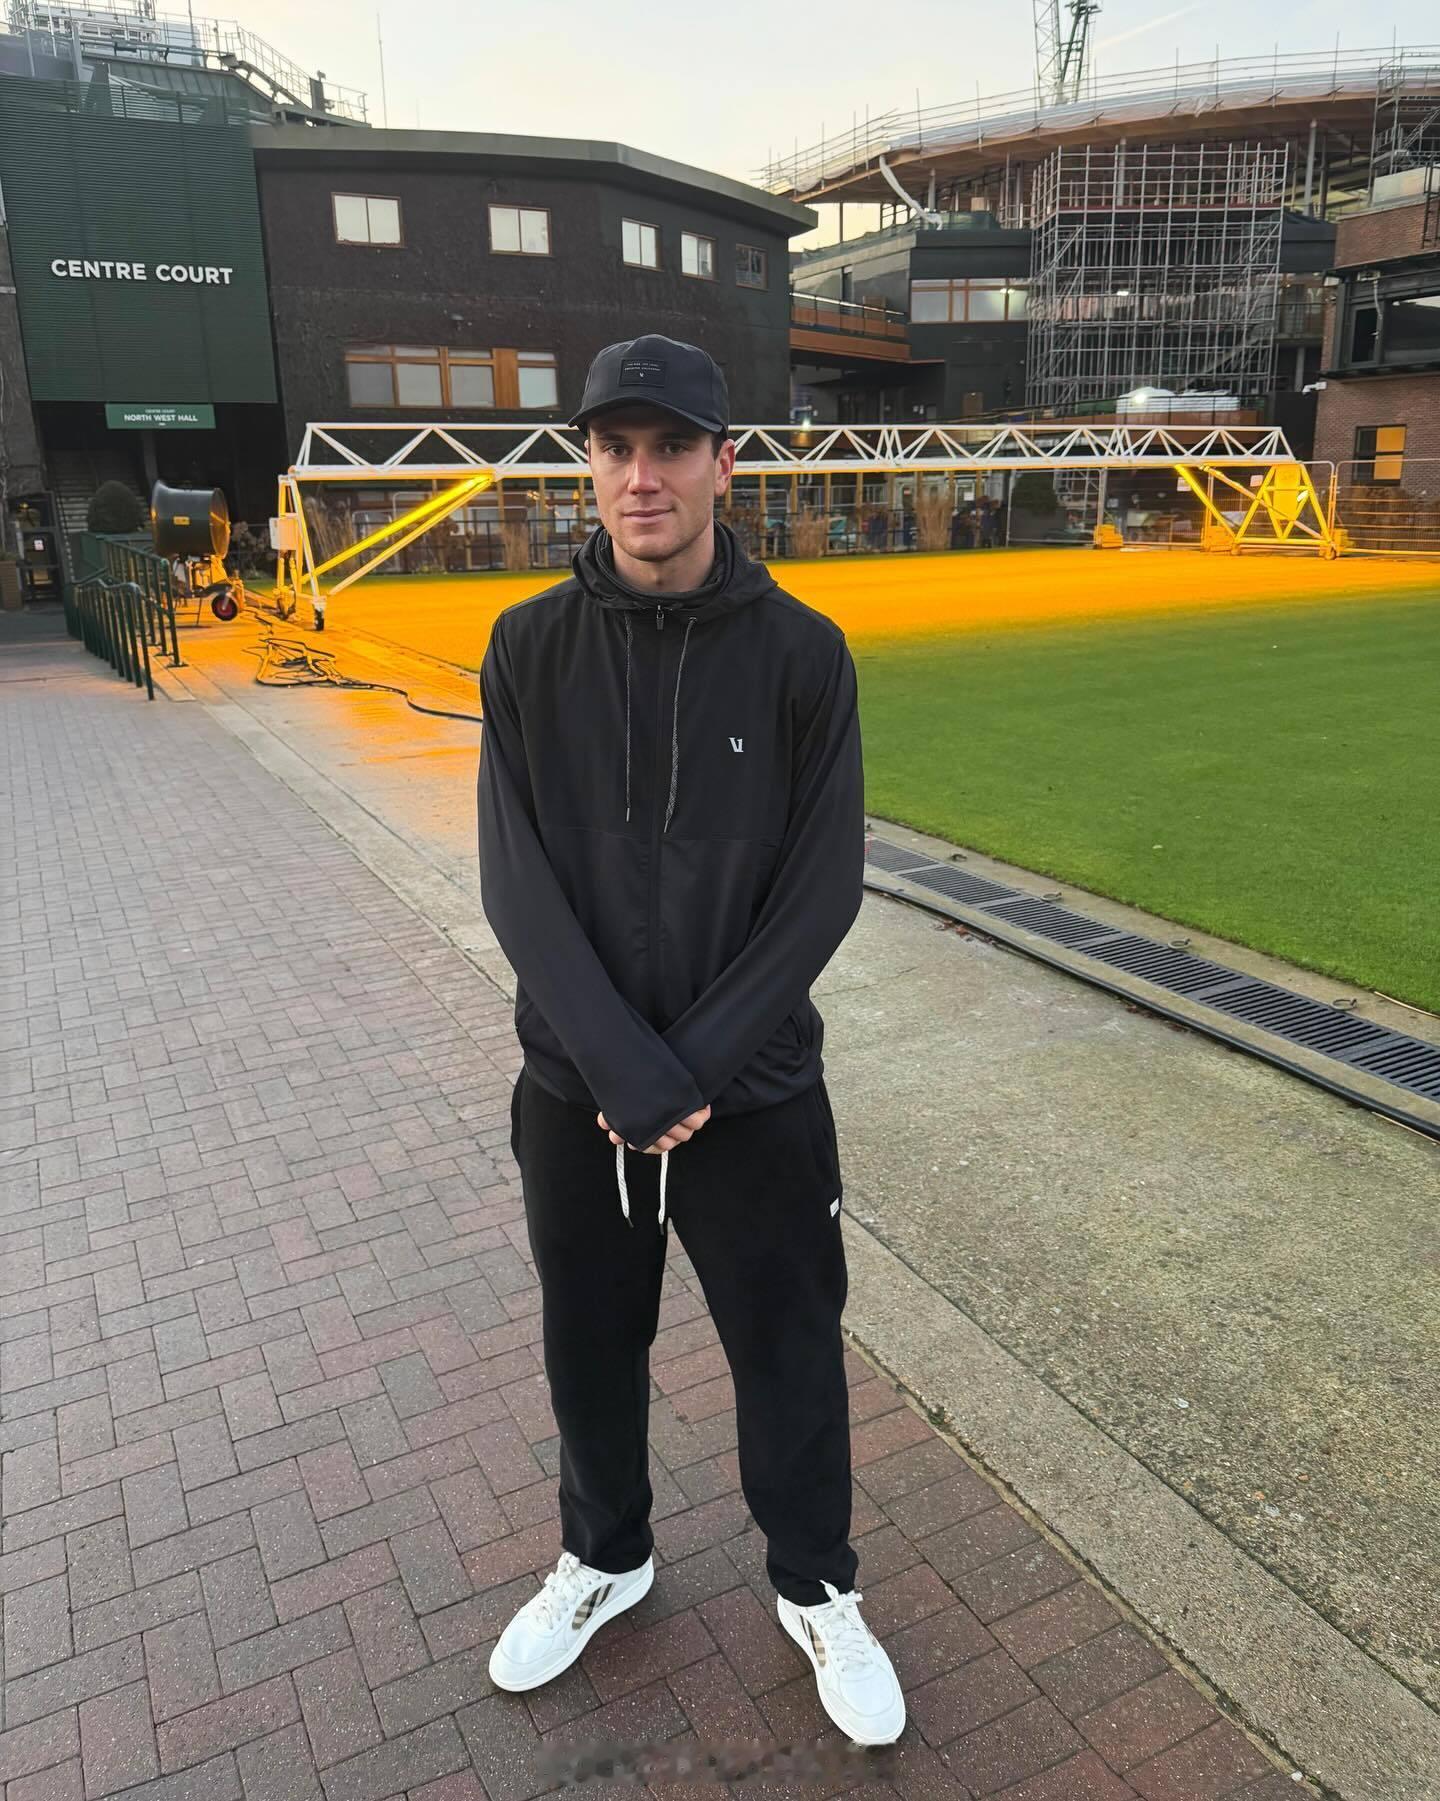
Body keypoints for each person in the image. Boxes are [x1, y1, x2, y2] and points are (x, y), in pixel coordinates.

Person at [477, 335, 905, 1747]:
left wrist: (690, 1070)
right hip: (579, 1094)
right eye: (616, 447)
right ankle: (606, 1556)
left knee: (789, 1349)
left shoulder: (802, 654)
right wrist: (620, 1068)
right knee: (589, 1344)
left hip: (754, 1097)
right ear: (589, 464)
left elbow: (821, 887)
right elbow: (515, 880)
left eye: (671, 446)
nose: (642, 476)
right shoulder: (528, 646)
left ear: (727, 462)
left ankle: (816, 1581)